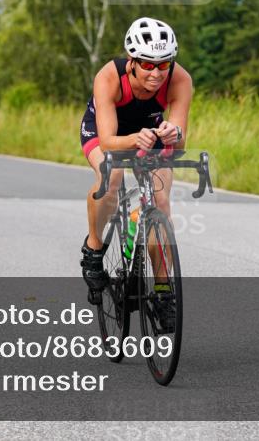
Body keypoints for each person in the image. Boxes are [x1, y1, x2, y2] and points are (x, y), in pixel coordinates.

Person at [78, 17, 193, 330]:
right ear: (131, 62)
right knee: (111, 178)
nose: (156, 73)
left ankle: (163, 291)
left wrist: (172, 132)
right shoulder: (109, 77)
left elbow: (181, 134)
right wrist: (133, 139)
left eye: (163, 64)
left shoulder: (180, 80)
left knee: (160, 201)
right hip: (107, 133)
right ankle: (93, 249)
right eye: (147, 64)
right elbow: (108, 141)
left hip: (150, 135)